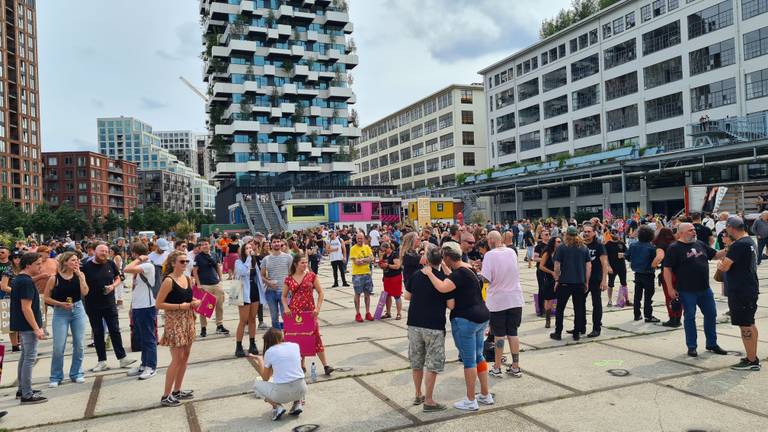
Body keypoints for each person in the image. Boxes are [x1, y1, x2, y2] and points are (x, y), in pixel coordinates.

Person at [422, 242, 493, 412]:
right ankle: (485, 394)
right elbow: (453, 276)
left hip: (466, 321)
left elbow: (442, 287)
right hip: (482, 317)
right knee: (479, 357)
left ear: (446, 258)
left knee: (469, 361)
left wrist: (430, 273)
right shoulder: (468, 269)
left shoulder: (457, 276)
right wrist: (446, 270)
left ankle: (470, 400)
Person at [663, 223, 728, 357]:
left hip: (705, 289)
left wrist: (729, 248)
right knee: (690, 317)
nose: (694, 232)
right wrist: (670, 288)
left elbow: (715, 255)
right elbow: (667, 269)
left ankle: (712, 343)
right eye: (690, 230)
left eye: (694, 230)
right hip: (686, 291)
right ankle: (692, 346)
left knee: (711, 314)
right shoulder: (674, 248)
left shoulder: (700, 244)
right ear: (681, 233)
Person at [405, 245, 452, 412]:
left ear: (427, 259)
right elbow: (451, 304)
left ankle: (418, 394)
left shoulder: (417, 275)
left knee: (417, 361)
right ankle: (429, 400)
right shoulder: (444, 279)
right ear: (442, 260)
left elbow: (407, 296)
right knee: (433, 363)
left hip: (414, 323)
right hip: (434, 325)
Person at [82, 244, 136, 372]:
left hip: (109, 303)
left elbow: (118, 278)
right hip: (93, 305)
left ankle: (122, 358)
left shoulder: (111, 264)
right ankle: (102, 361)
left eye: (106, 251)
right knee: (98, 333)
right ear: (95, 252)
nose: (104, 253)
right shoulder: (86, 266)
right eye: (101, 251)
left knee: (115, 330)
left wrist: (113, 286)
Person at [156, 251, 200, 407]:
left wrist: (195, 301)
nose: (185, 264)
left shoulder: (187, 278)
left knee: (185, 356)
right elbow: (159, 304)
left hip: (188, 319)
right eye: (182, 261)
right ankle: (166, 395)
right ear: (173, 263)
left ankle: (177, 390)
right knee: (177, 358)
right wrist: (181, 306)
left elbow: (188, 297)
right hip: (174, 321)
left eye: (186, 261)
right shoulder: (168, 281)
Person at [717, 217, 761, 371]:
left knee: (745, 326)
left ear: (730, 228)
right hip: (750, 287)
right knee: (750, 323)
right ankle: (752, 356)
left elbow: (724, 267)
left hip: (741, 290)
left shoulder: (738, 245)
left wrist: (720, 264)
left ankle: (751, 361)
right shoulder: (749, 241)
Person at [282, 253, 334, 376]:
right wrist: (286, 308)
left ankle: (326, 365)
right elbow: (283, 296)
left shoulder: (311, 276)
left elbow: (321, 292)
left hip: (310, 312)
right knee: (298, 338)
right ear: (296, 264)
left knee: (315, 336)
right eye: (302, 263)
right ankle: (301, 365)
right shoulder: (289, 279)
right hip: (294, 312)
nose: (305, 265)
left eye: (306, 262)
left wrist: (318, 308)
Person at [482, 231, 523, 379]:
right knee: (513, 332)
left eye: (487, 239)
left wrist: (480, 271)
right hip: (515, 298)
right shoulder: (512, 252)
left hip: (498, 300)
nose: (487, 242)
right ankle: (515, 366)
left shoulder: (489, 255)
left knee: (499, 335)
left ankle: (497, 366)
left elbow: (486, 279)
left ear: (492, 240)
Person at [44, 252, 89, 387]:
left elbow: (85, 292)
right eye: (73, 260)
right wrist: (60, 304)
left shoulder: (79, 275)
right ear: (65, 262)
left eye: (77, 260)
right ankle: (56, 376)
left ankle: (77, 373)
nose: (76, 263)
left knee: (79, 344)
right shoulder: (54, 278)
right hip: (60, 312)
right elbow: (46, 298)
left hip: (78, 309)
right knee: (59, 346)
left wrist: (81, 277)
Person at [11, 253, 47, 404]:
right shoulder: (25, 282)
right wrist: (36, 328)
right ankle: (27, 394)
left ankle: (22, 388)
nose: (40, 266)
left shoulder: (20, 278)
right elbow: (26, 308)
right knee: (29, 358)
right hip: (28, 325)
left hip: (22, 324)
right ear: (28, 265)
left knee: (25, 355)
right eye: (38, 264)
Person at [251, 328, 308, 421]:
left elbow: (265, 378)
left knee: (256, 385)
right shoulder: (295, 346)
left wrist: (260, 359)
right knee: (295, 377)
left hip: (282, 395)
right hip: (302, 389)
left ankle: (277, 407)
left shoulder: (270, 352)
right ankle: (298, 403)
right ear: (281, 336)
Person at [123, 243, 158, 380]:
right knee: (142, 338)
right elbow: (136, 289)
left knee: (149, 338)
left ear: (135, 253)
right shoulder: (141, 267)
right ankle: (144, 364)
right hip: (139, 306)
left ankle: (151, 367)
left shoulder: (148, 265)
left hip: (146, 306)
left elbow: (126, 269)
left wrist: (140, 259)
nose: (131, 256)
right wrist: (132, 307)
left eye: (132, 253)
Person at [550, 227, 591, 341]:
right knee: (578, 308)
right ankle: (576, 332)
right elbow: (588, 266)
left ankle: (558, 332)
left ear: (566, 235)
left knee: (560, 309)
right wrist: (586, 281)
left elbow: (557, 265)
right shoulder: (584, 248)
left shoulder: (562, 248)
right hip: (579, 282)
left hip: (565, 283)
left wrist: (557, 279)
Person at [625, 226, 663, 323]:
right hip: (648, 273)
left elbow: (628, 256)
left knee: (637, 295)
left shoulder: (633, 245)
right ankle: (648, 315)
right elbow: (655, 261)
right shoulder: (652, 248)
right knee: (648, 296)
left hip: (637, 273)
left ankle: (637, 314)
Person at [234, 243, 265, 357]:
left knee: (252, 319)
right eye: (246, 248)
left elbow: (258, 276)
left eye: (250, 248)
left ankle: (252, 343)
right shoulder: (239, 262)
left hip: (254, 291)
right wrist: (248, 258)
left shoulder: (254, 261)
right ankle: (238, 345)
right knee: (243, 320)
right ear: (243, 251)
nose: (249, 250)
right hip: (244, 293)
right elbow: (243, 272)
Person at [192, 239, 229, 337]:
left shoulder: (214, 254)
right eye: (202, 244)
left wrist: (220, 278)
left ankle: (219, 325)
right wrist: (198, 284)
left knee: (219, 306)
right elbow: (195, 271)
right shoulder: (198, 257)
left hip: (216, 283)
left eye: (206, 244)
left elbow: (217, 266)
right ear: (200, 247)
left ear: (209, 245)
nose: (204, 246)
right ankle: (203, 327)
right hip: (204, 285)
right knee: (204, 308)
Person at [580, 223, 608, 338]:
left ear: (594, 233)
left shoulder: (599, 246)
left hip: (596, 279)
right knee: (580, 303)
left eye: (589, 231)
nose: (586, 233)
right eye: (585, 231)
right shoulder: (580, 245)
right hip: (582, 279)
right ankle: (580, 326)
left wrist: (604, 280)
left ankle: (596, 328)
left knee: (596, 303)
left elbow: (604, 264)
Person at [261, 237, 293, 329]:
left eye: (278, 242)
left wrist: (290, 289)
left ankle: (288, 336)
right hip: (271, 292)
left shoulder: (288, 257)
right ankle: (277, 338)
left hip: (285, 292)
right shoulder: (266, 259)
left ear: (281, 243)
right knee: (274, 317)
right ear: (271, 244)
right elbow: (261, 276)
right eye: (274, 242)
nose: (276, 244)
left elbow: (291, 275)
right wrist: (268, 283)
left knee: (286, 315)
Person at [654, 228, 682, 328]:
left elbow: (659, 257)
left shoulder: (661, 245)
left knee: (669, 297)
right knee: (678, 296)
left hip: (668, 273)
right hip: (679, 273)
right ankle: (678, 317)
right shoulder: (677, 243)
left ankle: (672, 318)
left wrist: (653, 265)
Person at [349, 232, 375, 322]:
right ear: (356, 239)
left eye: (361, 238)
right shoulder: (353, 249)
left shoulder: (367, 247)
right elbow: (356, 262)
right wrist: (366, 260)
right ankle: (358, 313)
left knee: (367, 294)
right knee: (358, 294)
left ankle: (367, 312)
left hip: (367, 273)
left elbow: (371, 259)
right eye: (358, 238)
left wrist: (363, 260)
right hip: (357, 275)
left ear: (364, 238)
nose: (360, 240)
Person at [538, 236, 561, 328]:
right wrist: (551, 272)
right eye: (558, 241)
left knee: (559, 298)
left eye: (560, 241)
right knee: (549, 299)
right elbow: (541, 266)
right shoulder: (547, 253)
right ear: (554, 243)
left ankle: (558, 320)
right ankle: (548, 319)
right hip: (549, 278)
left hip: (560, 278)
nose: (560, 243)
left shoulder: (561, 252)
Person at [605, 230, 631, 307]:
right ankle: (609, 301)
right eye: (613, 233)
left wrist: (623, 254)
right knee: (610, 284)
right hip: (612, 267)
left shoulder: (621, 243)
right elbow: (605, 257)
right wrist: (608, 266)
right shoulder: (607, 244)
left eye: (616, 233)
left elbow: (628, 253)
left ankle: (627, 300)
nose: (615, 234)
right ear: (610, 234)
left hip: (621, 266)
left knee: (624, 283)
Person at [379, 242, 403, 320]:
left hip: (395, 277)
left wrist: (388, 265)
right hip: (387, 277)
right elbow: (383, 265)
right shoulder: (385, 255)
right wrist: (381, 265)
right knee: (387, 296)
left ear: (388, 248)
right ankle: (388, 313)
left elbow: (397, 266)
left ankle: (399, 313)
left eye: (384, 250)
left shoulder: (395, 254)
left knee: (397, 296)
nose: (384, 252)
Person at [533, 230, 550, 316]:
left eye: (548, 234)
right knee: (542, 288)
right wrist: (544, 260)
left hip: (550, 270)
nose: (547, 236)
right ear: (542, 236)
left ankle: (549, 308)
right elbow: (535, 258)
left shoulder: (551, 246)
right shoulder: (539, 247)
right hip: (541, 270)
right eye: (546, 234)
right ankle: (541, 309)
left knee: (550, 289)